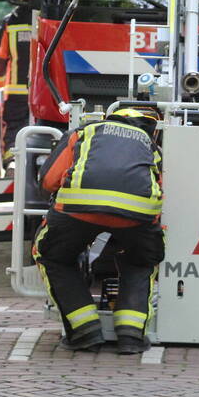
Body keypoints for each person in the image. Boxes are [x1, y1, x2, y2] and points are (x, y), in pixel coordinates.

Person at [33, 107, 164, 354]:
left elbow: (48, 180)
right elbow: (158, 185)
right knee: (140, 262)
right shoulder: (151, 146)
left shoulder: (84, 132)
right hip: (137, 217)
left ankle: (85, 332)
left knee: (54, 257)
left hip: (77, 210)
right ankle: (131, 336)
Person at [0, 0, 34, 164]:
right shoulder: (49, 18)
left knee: (14, 129)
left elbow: (1, 59)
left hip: (16, 91)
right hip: (42, 90)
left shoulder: (10, 21)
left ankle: (12, 162)